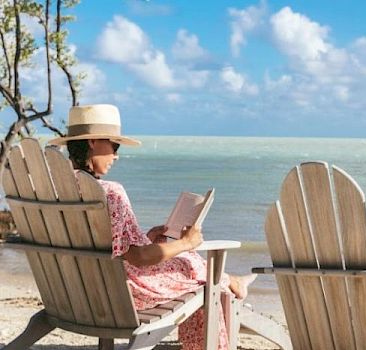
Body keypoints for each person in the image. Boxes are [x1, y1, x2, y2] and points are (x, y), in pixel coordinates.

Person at [48, 104, 256, 350]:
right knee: (193, 266)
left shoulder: (54, 192)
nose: (116, 155)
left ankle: (229, 282)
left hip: (76, 293)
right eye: (114, 146)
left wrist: (145, 238)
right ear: (93, 142)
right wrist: (186, 242)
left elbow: (94, 245)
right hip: (121, 298)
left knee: (189, 264)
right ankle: (230, 285)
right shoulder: (111, 192)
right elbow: (139, 258)